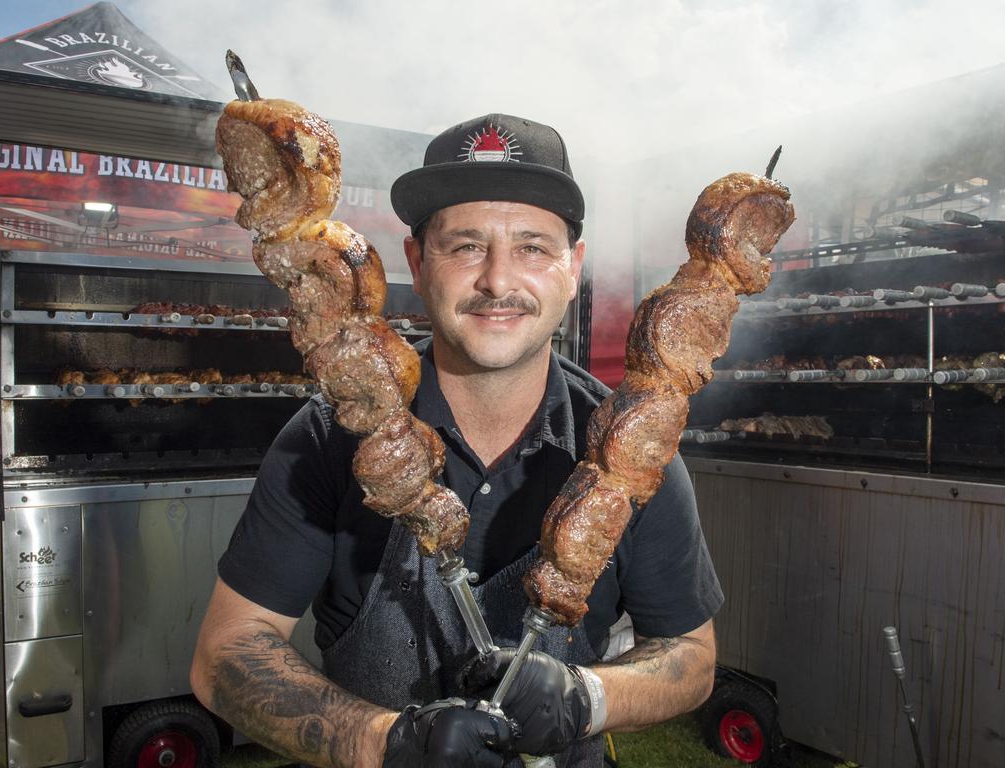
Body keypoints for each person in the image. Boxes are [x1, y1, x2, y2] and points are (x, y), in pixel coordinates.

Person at [190, 113, 723, 768]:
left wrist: (587, 696)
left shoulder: (633, 444)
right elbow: (226, 654)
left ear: (573, 267)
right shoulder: (332, 436)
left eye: (532, 247)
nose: (499, 281)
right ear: (417, 259)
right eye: (466, 245)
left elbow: (691, 656)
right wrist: (386, 742)